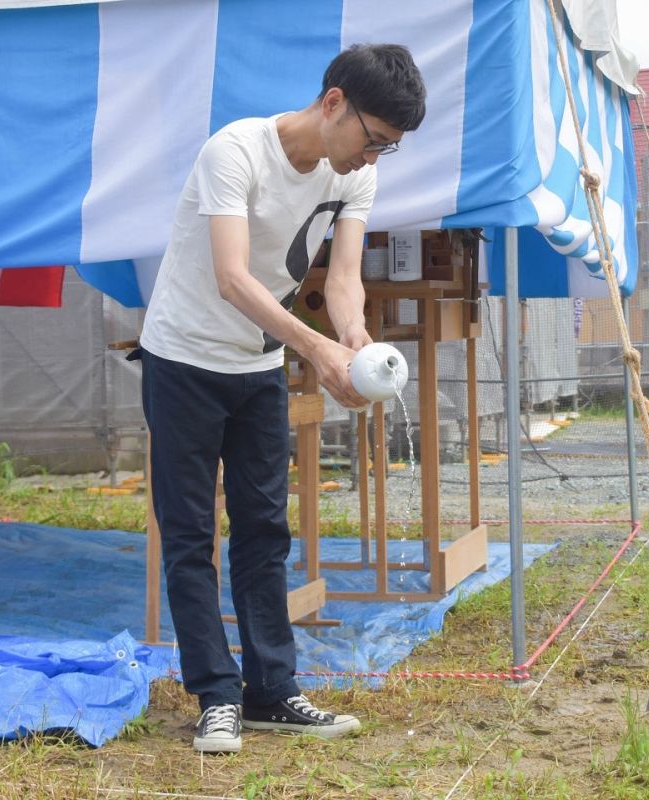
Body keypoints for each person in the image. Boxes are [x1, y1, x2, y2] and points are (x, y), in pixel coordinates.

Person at [138, 44, 426, 753]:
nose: (373, 159)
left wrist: (354, 347)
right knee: (189, 536)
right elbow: (233, 278)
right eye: (374, 140)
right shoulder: (234, 152)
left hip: (257, 365)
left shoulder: (353, 177)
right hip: (184, 359)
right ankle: (214, 695)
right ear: (334, 103)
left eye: (388, 149)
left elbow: (341, 283)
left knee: (264, 529)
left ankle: (271, 689)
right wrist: (315, 349)